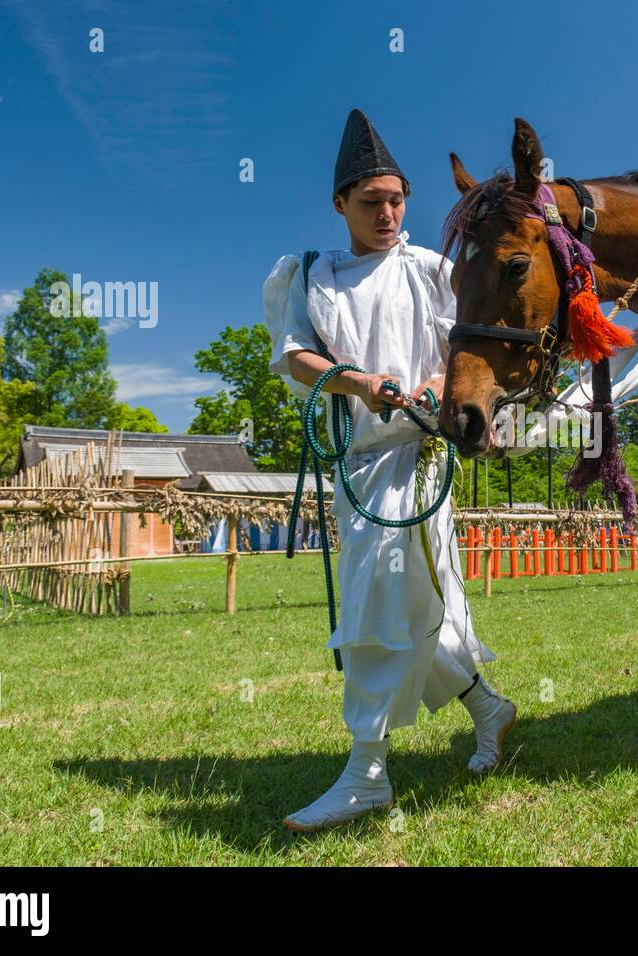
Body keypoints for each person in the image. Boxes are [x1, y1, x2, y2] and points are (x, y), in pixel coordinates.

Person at [264, 109, 516, 831]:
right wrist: (357, 380)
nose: (387, 211)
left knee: (379, 598)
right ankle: (488, 708)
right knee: (410, 604)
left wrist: (438, 385)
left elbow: (465, 349)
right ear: (339, 204)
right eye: (371, 200)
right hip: (360, 463)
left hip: (420, 457)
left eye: (397, 198)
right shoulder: (315, 277)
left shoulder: (435, 272)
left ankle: (366, 770)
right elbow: (295, 357)